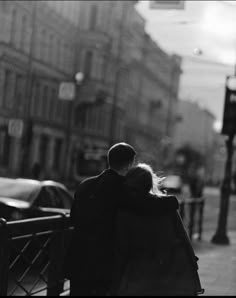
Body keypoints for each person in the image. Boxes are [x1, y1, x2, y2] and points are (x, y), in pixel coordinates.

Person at [65, 143, 179, 296]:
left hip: (78, 260)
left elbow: (73, 219)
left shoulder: (85, 185)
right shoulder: (123, 189)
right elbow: (153, 205)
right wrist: (173, 200)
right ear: (130, 164)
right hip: (103, 265)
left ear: (109, 160)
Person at [112, 163, 203, 296]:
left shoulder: (125, 211)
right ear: (150, 184)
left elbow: (121, 247)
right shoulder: (167, 205)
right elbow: (182, 236)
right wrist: (192, 266)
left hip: (138, 272)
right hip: (168, 268)